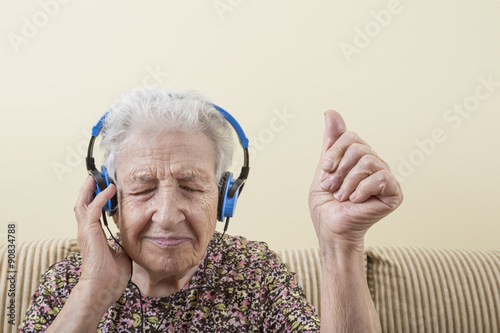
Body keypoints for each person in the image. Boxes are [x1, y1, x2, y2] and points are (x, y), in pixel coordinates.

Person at [19, 88, 403, 332]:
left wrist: (341, 246)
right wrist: (92, 295)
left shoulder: (254, 273)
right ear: (111, 199)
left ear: (223, 197)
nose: (167, 216)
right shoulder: (69, 282)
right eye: (143, 188)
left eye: (190, 186)